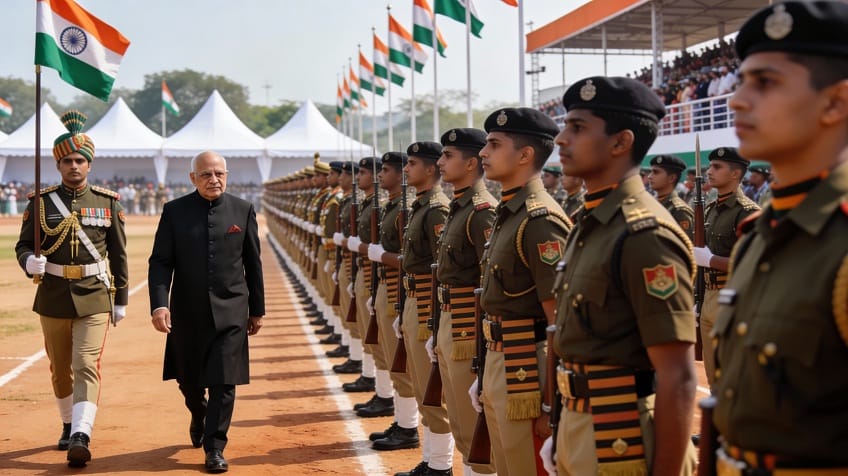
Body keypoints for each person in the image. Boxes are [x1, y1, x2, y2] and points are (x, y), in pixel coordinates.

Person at [711, 2, 848, 472]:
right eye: (742, 80)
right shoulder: (759, 234)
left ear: (834, 102)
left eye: (765, 83)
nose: (736, 98)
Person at [545, 76, 698, 476]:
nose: (561, 138)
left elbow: (677, 375)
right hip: (580, 425)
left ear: (620, 142)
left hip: (623, 438)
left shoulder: (643, 233)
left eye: (577, 128)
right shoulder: (592, 222)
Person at [15, 110, 129, 468]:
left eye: (80, 160)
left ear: (89, 164)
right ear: (58, 164)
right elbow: (22, 245)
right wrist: (27, 261)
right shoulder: (40, 202)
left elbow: (120, 256)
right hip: (52, 293)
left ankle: (81, 433)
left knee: (85, 362)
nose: (74, 166)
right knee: (59, 367)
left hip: (94, 293)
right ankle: (67, 422)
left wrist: (121, 299)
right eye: (67, 160)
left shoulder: (108, 202)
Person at [148, 150, 265, 474]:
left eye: (219, 174)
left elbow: (252, 263)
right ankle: (198, 413)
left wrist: (257, 310)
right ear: (192, 178)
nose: (214, 180)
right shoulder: (174, 212)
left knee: (224, 382)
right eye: (206, 175)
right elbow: (160, 262)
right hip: (186, 312)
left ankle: (215, 447)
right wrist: (160, 304)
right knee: (188, 381)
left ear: (226, 175)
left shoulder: (243, 210)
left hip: (231, 312)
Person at [477, 108, 573, 475]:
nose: (483, 152)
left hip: (527, 369)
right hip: (500, 357)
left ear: (525, 155)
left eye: (494, 144)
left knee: (524, 467)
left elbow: (557, 321)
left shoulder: (539, 221)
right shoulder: (510, 213)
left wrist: (551, 405)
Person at [434, 128, 498, 476]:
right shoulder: (459, 207)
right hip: (448, 319)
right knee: (458, 414)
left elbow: (488, 285)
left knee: (474, 425)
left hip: (467, 328)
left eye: (448, 156)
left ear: (471, 163)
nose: (440, 163)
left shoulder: (481, 212)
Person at [395, 141, 453, 475]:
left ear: (429, 169)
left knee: (437, 393)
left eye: (412, 163)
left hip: (434, 307)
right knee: (423, 388)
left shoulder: (436, 209)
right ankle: (433, 461)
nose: (406, 169)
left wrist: (433, 320)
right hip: (415, 299)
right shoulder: (422, 206)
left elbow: (439, 269)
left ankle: (441, 463)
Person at [362, 152, 420, 451]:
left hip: (403, 292)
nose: (377, 176)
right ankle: (403, 421)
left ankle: (410, 429)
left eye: (385, 170)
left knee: (405, 367)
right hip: (388, 287)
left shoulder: (409, 208)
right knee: (391, 360)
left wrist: (380, 256)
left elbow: (417, 264)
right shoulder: (393, 207)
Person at [693, 147, 759, 390]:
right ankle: (716, 428)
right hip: (708, 295)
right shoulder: (709, 209)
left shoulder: (747, 212)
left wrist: (711, 260)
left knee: (733, 373)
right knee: (712, 373)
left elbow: (753, 263)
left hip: (732, 297)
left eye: (717, 167)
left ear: (735, 173)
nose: (709, 172)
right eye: (710, 167)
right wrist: (696, 298)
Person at [648, 154, 695, 240]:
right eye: (651, 172)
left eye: (656, 172)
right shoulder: (651, 204)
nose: (650, 176)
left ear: (672, 178)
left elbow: (684, 245)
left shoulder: (679, 210)